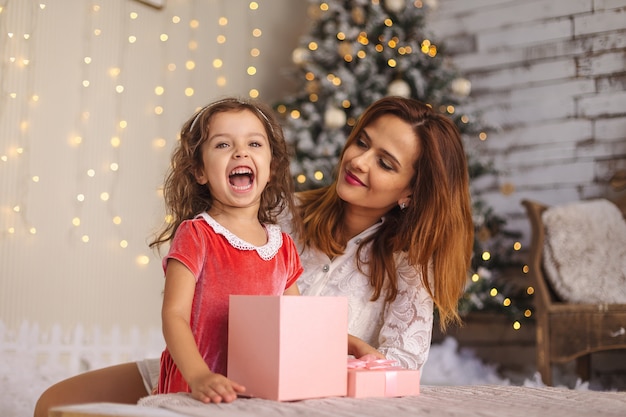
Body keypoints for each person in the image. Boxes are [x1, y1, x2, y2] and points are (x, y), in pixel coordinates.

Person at [34, 96, 473, 416]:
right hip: (203, 367)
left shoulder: (410, 266)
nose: (358, 161)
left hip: (286, 398)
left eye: (386, 162)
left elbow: (397, 370)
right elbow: (198, 290)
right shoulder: (282, 211)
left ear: (412, 192)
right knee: (53, 405)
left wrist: (342, 354)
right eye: (361, 142)